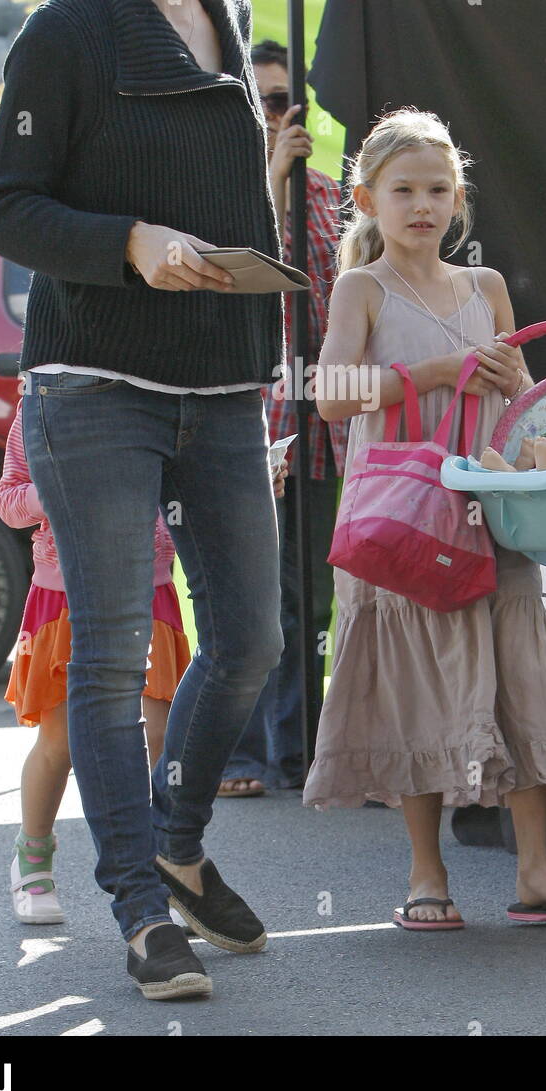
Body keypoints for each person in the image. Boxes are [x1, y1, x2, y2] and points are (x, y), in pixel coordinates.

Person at [0, 0, 288, 1000]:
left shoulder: (231, 16)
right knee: (107, 661)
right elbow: (9, 208)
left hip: (220, 381)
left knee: (251, 638)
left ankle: (176, 838)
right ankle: (140, 907)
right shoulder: (62, 35)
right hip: (95, 379)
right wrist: (131, 242)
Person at [304, 108, 546, 930]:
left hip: (491, 504)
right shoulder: (360, 288)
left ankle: (535, 871)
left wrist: (520, 386)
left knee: (519, 675)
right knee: (412, 681)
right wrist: (435, 370)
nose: (422, 205)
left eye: (437, 189)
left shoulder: (484, 287)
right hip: (405, 514)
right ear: (367, 198)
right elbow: (330, 396)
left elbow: (516, 399)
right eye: (403, 190)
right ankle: (424, 873)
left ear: (458, 199)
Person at [0, 396, 191, 924]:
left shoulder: (164, 403)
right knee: (60, 740)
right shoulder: (40, 408)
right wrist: (53, 493)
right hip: (66, 592)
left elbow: (192, 488)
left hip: (148, 587)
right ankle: (32, 860)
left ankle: (155, 876)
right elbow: (10, 501)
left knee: (156, 733)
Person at [218, 40, 347, 797]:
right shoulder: (227, 192)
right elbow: (251, 282)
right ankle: (251, 751)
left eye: (281, 101)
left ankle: (300, 746)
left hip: (327, 423)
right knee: (259, 597)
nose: (272, 117)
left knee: (316, 596)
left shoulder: (330, 194)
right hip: (256, 420)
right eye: (258, 102)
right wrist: (271, 179)